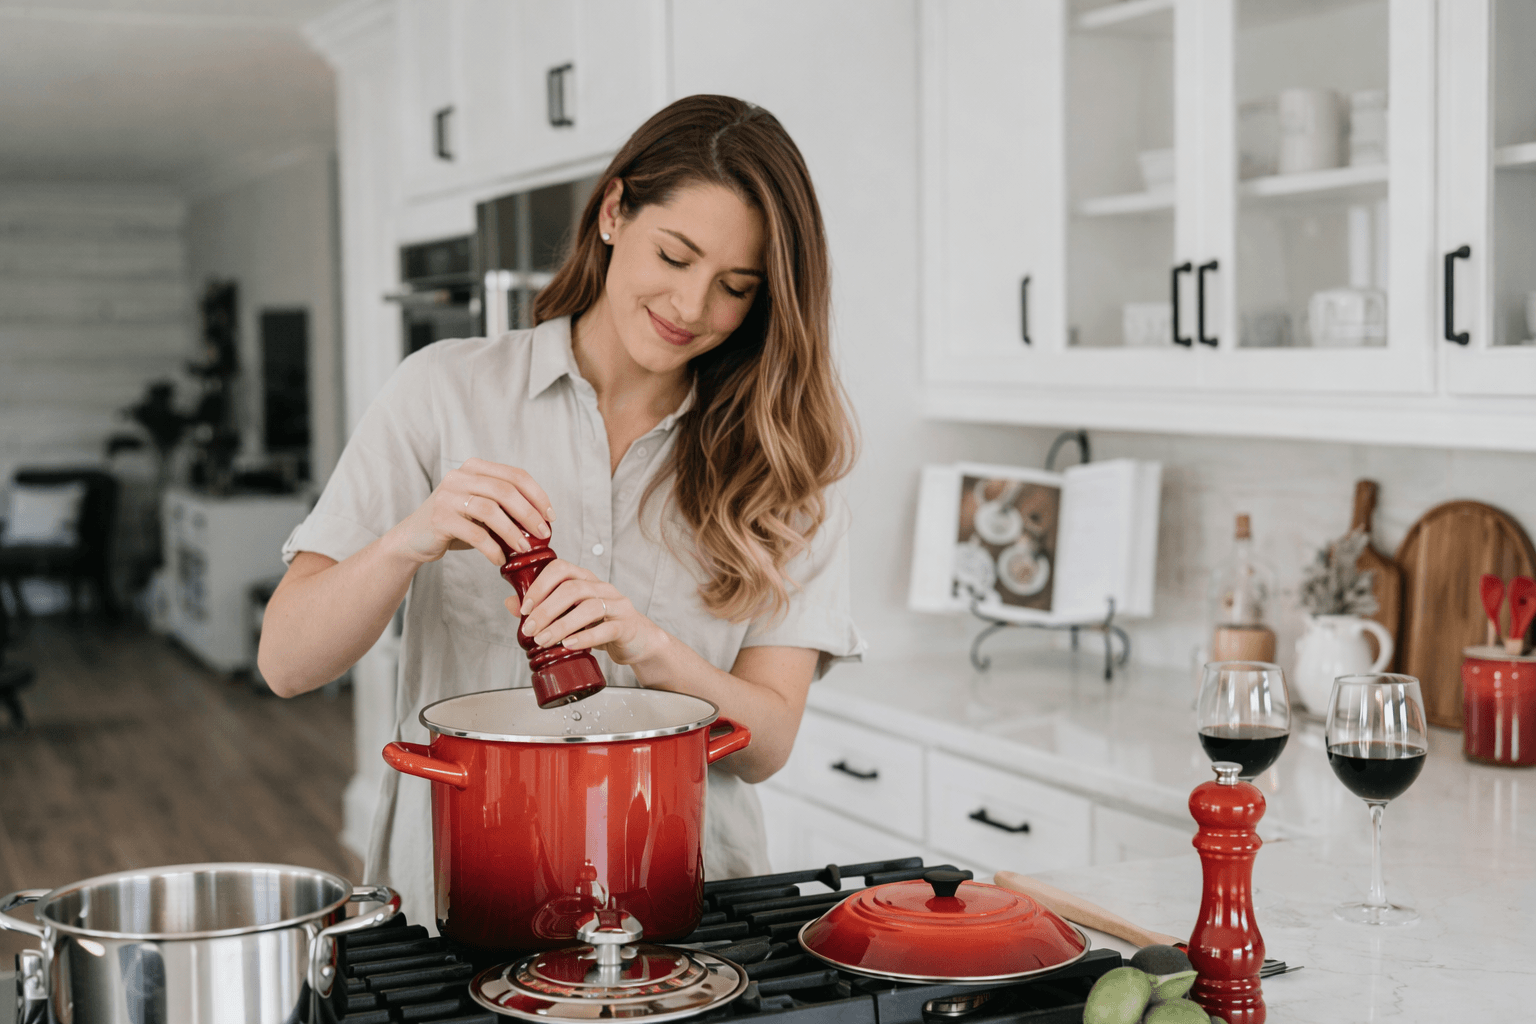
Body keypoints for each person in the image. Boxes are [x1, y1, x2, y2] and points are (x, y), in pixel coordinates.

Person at [257, 94, 863, 930]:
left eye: (734, 287)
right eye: (675, 255)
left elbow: (766, 745)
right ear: (615, 211)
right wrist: (409, 540)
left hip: (684, 916)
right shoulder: (443, 392)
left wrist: (649, 648)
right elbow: (286, 663)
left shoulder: (785, 466)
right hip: (457, 906)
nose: (691, 307)